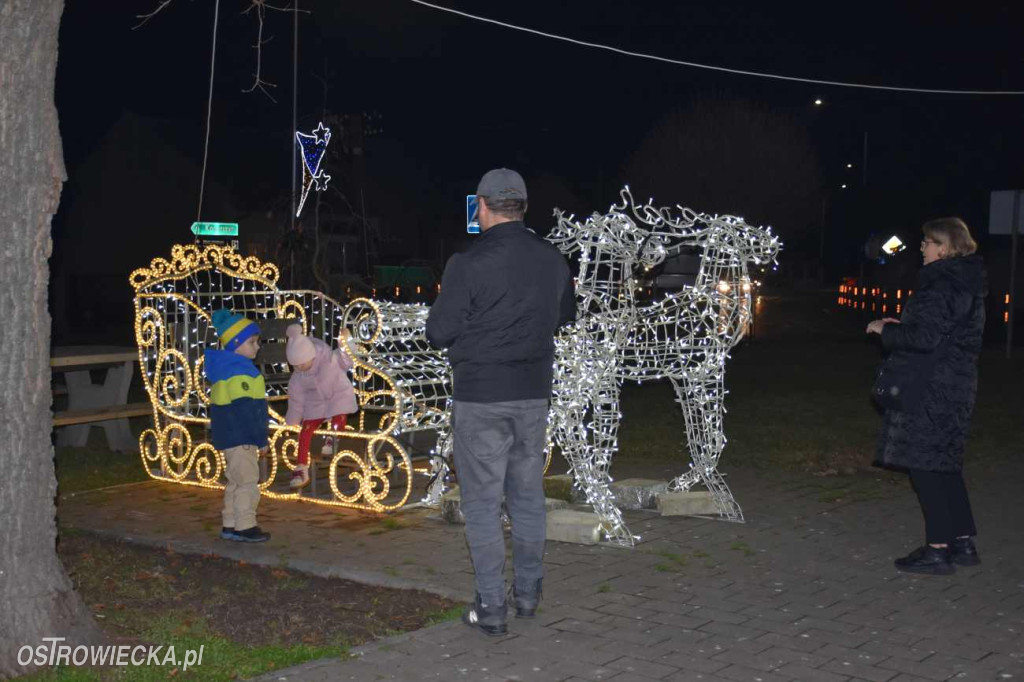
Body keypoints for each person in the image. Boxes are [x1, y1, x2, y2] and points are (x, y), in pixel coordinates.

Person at [426, 168, 576, 636]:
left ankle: (491, 606)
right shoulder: (552, 260)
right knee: (527, 497)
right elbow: (564, 316)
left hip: (482, 397)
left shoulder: (467, 264)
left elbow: (438, 332)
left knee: (484, 504)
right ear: (523, 207)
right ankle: (528, 594)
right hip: (532, 395)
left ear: (482, 206)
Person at [866, 217, 986, 575]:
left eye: (929, 242)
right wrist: (904, 327)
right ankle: (963, 541)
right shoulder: (965, 282)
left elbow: (925, 340)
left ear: (945, 248)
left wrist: (885, 332)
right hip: (955, 383)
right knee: (945, 463)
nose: (922, 247)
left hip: (931, 387)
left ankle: (937, 549)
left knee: (924, 465)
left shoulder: (940, 285)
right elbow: (943, 334)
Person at [206, 308, 271, 543]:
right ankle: (246, 525)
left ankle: (230, 524)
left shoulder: (223, 369)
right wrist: (260, 438)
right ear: (236, 344)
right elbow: (247, 409)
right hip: (242, 436)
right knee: (247, 481)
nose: (257, 346)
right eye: (252, 342)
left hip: (228, 435)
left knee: (235, 480)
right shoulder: (240, 372)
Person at [284, 324, 358, 489]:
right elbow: (296, 399)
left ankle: (332, 437)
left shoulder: (329, 358)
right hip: (316, 403)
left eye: (303, 363)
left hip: (337, 394)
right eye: (296, 365)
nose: (300, 367)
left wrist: (345, 342)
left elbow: (347, 359)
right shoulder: (298, 376)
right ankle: (301, 466)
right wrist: (293, 420)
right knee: (306, 430)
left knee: (340, 413)